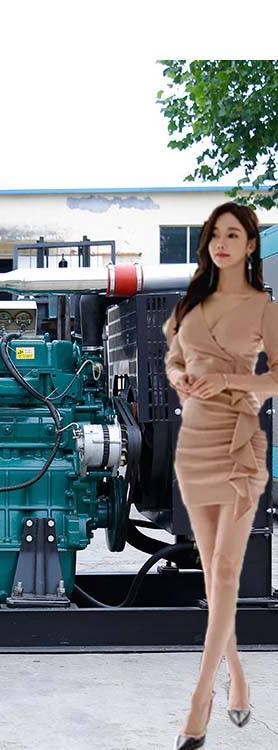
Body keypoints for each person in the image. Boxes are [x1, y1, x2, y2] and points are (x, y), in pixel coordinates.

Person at [162, 201, 278, 750]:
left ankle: (200, 698)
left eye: (233, 235)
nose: (221, 244)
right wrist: (182, 379)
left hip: (238, 444)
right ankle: (239, 678)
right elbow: (173, 357)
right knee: (213, 573)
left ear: (250, 245)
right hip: (195, 444)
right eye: (215, 235)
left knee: (228, 570)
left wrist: (230, 381)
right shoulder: (192, 302)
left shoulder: (262, 307)